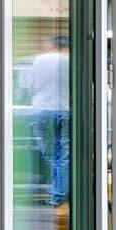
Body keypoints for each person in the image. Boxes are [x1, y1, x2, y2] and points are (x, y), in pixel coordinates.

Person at [26, 34, 71, 207]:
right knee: (64, 156)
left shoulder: (38, 60)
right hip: (65, 110)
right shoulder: (71, 60)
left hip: (41, 110)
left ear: (52, 44)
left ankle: (57, 193)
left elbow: (29, 86)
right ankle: (59, 195)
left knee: (51, 155)